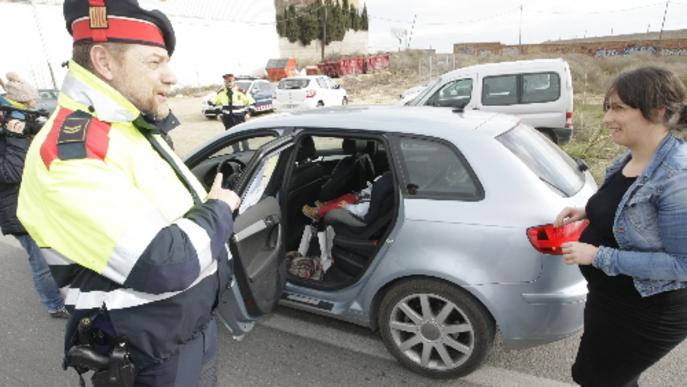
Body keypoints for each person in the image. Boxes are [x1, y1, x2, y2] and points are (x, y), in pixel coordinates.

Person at [17, 1, 241, 386]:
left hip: (185, 335)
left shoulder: (129, 128)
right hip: (146, 359)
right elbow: (164, 263)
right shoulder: (74, 150)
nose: (171, 76)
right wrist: (219, 209)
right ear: (104, 62)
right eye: (154, 63)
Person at [554, 66, 687, 387]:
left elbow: (682, 265)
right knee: (602, 378)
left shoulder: (677, 176)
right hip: (608, 298)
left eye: (618, 108)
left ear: (658, 111)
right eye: (607, 108)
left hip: (649, 310)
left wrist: (597, 256)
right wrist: (587, 211)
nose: (606, 119)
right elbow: (627, 205)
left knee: (597, 378)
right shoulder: (629, 159)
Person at [0, 73, 69, 319]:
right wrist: (15, 138)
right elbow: (9, 173)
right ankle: (54, 304)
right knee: (41, 263)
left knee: (57, 253)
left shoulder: (15, 126)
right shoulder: (9, 135)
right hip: (17, 210)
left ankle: (67, 295)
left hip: (38, 202)